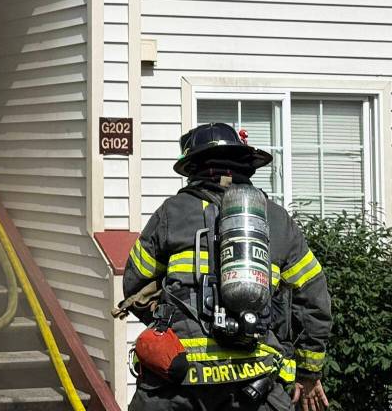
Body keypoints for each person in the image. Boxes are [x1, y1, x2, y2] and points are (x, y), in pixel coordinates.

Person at [120, 122, 331, 411]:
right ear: (245, 164)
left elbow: (135, 284)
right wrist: (308, 372)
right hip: (255, 380)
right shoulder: (278, 220)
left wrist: (168, 319)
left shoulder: (171, 213)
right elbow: (315, 299)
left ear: (193, 167)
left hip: (179, 378)